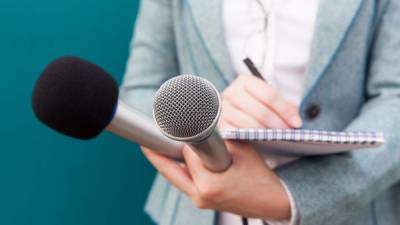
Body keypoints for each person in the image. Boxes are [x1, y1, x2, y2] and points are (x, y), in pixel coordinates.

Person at [120, 0, 400, 224]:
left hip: (350, 211)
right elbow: (141, 89)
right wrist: (205, 115)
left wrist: (290, 196)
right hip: (201, 212)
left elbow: (394, 97)